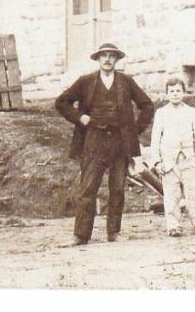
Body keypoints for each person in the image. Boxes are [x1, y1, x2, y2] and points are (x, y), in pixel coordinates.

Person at [54, 42, 155, 246]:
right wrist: (80, 117)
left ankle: (113, 232)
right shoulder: (86, 81)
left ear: (116, 59)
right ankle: (81, 235)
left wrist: (134, 131)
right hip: (93, 140)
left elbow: (147, 105)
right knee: (88, 188)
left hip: (120, 142)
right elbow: (62, 102)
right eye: (104, 56)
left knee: (117, 188)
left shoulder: (126, 81)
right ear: (98, 59)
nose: (107, 59)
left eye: (111, 56)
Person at [151, 76, 195, 237]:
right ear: (167, 94)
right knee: (171, 195)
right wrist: (157, 162)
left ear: (184, 93)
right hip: (169, 161)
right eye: (171, 91)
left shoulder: (191, 112)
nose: (175, 94)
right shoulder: (161, 113)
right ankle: (174, 226)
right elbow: (155, 139)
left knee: (194, 193)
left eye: (178, 91)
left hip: (188, 158)